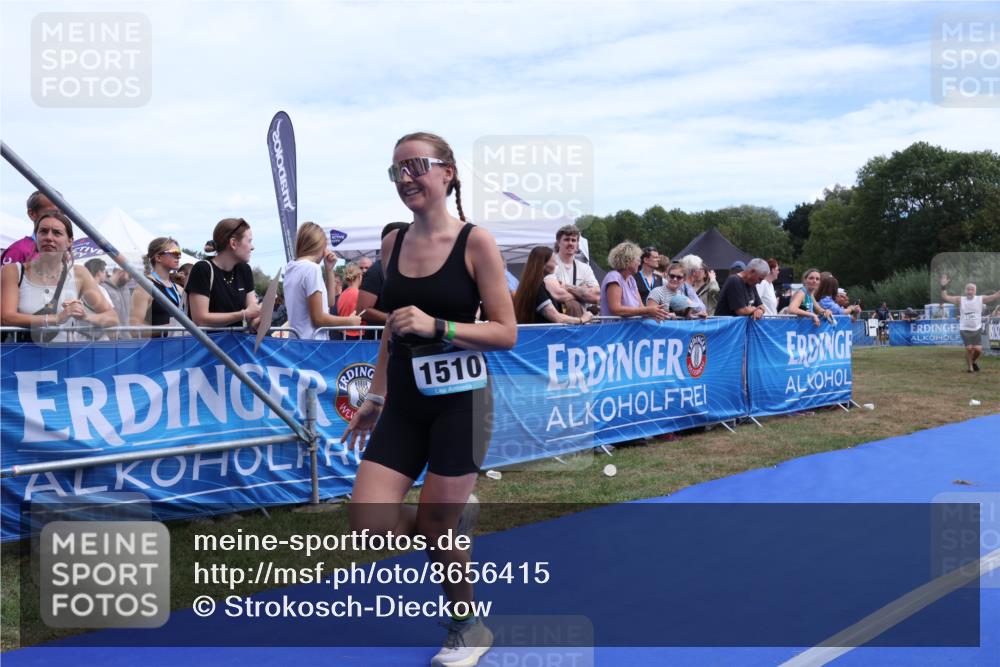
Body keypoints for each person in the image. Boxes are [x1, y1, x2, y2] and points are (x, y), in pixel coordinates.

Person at [341, 132, 516, 667]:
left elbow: (507, 332)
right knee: (367, 522)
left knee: (435, 528)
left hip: (461, 400)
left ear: (448, 172)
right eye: (396, 170)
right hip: (405, 403)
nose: (406, 178)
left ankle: (468, 627)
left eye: (417, 165)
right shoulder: (392, 243)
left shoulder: (476, 242)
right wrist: (376, 395)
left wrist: (439, 324)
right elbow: (391, 331)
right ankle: (449, 525)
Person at [1, 211, 117, 341]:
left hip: (65, 357)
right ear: (36, 237)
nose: (49, 237)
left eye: (57, 233)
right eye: (43, 231)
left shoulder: (79, 273)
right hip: (25, 357)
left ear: (69, 241)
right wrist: (56, 318)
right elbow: (6, 317)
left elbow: (112, 318)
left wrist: (85, 316)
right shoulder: (13, 270)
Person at [282, 222, 363, 340]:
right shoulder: (311, 268)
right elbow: (318, 318)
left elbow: (329, 302)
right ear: (320, 245)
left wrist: (329, 269)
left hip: (297, 342)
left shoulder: (291, 268)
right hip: (312, 344)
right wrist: (349, 321)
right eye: (325, 245)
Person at [186, 218, 261, 329]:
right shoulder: (203, 269)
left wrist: (261, 318)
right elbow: (200, 319)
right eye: (249, 241)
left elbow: (251, 319)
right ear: (233, 243)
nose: (252, 247)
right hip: (207, 344)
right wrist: (244, 314)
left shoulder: (244, 270)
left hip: (237, 344)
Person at [513, 246, 594, 325]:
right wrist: (582, 319)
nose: (556, 263)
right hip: (542, 336)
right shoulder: (537, 287)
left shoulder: (532, 284)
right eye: (553, 260)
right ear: (543, 264)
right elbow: (556, 317)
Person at [357, 222, 411, 337]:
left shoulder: (407, 267)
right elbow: (362, 310)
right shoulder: (375, 271)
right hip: (378, 341)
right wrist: (396, 320)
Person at [939, 274, 1000, 372]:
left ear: (975, 291)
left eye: (972, 289)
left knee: (978, 350)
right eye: (968, 289)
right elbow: (945, 296)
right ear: (965, 290)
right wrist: (943, 286)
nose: (970, 291)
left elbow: (996, 295)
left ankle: (973, 361)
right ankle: (970, 368)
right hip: (965, 329)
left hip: (977, 328)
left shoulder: (980, 299)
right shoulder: (960, 299)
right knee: (969, 348)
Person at [130, 237, 185, 338]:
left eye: (179, 253)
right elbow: (134, 330)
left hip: (180, 348)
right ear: (158, 258)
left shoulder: (179, 289)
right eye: (174, 252)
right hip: (157, 351)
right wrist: (169, 328)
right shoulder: (144, 287)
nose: (178, 257)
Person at [600, 241, 670, 320]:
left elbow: (641, 308)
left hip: (630, 329)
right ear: (627, 261)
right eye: (637, 260)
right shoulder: (614, 277)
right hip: (615, 329)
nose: (639, 263)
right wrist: (648, 310)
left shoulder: (631, 280)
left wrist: (662, 313)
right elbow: (616, 309)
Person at [543, 224, 600, 317]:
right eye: (566, 239)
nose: (570, 243)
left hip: (584, 321)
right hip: (557, 321)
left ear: (577, 244)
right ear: (558, 242)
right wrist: (583, 292)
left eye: (573, 240)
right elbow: (557, 294)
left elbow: (596, 296)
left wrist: (566, 286)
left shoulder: (585, 268)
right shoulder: (550, 264)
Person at [1, 190, 59, 266]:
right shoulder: (18, 251)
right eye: (52, 213)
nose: (59, 217)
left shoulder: (65, 250)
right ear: (32, 214)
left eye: (63, 213)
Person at [336, 262, 364, 339]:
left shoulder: (342, 294)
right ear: (359, 276)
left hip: (343, 334)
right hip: (356, 335)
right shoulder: (359, 294)